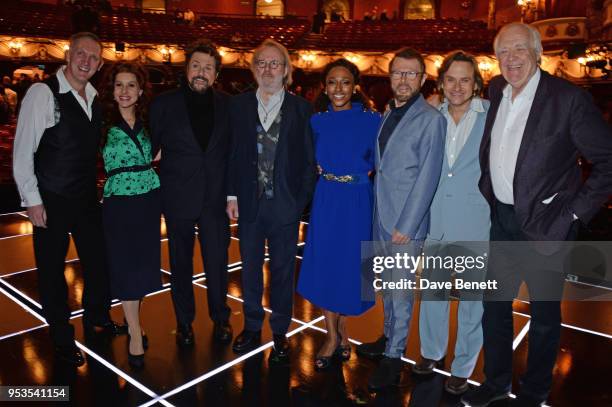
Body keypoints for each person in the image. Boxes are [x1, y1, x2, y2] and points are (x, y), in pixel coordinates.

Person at [461, 23, 612, 407]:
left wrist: (573, 215)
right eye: (503, 53)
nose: (510, 59)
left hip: (548, 225)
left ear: (537, 51)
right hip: (503, 220)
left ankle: (534, 391)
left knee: (543, 317)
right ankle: (495, 384)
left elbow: (607, 162)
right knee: (494, 309)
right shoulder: (496, 89)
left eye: (518, 50)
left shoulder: (568, 99)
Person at [12, 32, 125, 367]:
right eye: (81, 54)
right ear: (68, 54)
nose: (86, 61)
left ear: (101, 64)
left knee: (98, 263)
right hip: (52, 199)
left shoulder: (93, 97)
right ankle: (61, 336)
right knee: (51, 272)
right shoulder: (42, 93)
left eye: (93, 57)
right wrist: (32, 201)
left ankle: (97, 318)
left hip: (86, 198)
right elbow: (22, 154)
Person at [355, 47, 446, 391]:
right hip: (381, 213)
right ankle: (388, 337)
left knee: (401, 290)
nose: (403, 79)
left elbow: (428, 176)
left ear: (423, 79)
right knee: (389, 286)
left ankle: (394, 357)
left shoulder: (431, 119)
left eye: (411, 74)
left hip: (404, 222)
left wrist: (407, 226)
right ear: (390, 77)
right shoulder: (388, 111)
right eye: (398, 73)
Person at [226, 39, 316, 363]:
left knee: (282, 271)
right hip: (249, 202)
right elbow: (232, 154)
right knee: (249, 269)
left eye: (274, 63)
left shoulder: (302, 109)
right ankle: (252, 327)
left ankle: (280, 330)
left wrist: (299, 201)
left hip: (285, 206)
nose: (267, 69)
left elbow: (308, 162)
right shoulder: (236, 106)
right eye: (261, 63)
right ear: (253, 69)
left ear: (286, 70)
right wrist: (232, 194)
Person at [412, 51, 490, 395]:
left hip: (477, 221)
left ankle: (464, 366)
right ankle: (431, 352)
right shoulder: (430, 116)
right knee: (433, 294)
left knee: (474, 301)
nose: (457, 86)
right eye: (451, 79)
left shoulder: (492, 115)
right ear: (441, 82)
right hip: (437, 219)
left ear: (476, 84)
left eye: (465, 79)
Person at [297, 59, 381, 370]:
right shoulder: (317, 121)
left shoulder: (373, 120)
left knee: (348, 269)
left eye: (345, 82)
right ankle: (332, 336)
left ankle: (342, 331)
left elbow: (384, 163)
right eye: (332, 82)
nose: (339, 88)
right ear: (325, 86)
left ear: (355, 85)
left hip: (358, 200)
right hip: (327, 198)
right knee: (326, 266)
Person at [150, 39, 233, 347]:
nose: (201, 72)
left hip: (215, 200)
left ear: (216, 74)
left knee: (217, 264)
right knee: (180, 265)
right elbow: (151, 150)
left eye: (208, 68)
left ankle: (220, 317)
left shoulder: (228, 104)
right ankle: (184, 322)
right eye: (196, 66)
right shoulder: (162, 105)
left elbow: (233, 153)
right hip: (177, 198)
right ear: (186, 69)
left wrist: (232, 195)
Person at [100, 62, 162, 368]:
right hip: (118, 202)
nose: (124, 91)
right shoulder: (100, 121)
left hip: (149, 198)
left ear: (140, 91)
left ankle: (134, 319)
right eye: (118, 85)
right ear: (111, 90)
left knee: (141, 264)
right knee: (125, 265)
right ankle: (135, 331)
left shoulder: (150, 122)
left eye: (130, 85)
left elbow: (160, 152)